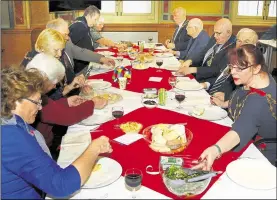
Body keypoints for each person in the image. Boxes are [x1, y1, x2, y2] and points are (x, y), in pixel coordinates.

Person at [1, 67, 112, 199]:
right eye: (36, 102)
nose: (40, 107)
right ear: (15, 101)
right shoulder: (11, 137)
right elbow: (62, 185)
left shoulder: (10, 122)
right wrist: (94, 148)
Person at [194, 44, 276, 171]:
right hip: (241, 131)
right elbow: (241, 98)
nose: (233, 72)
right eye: (232, 66)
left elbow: (241, 130)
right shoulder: (257, 76)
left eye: (240, 68)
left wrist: (216, 150)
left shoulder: (259, 100)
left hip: (259, 152)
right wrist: (224, 104)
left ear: (256, 68)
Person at [25, 53, 107, 156]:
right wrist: (92, 103)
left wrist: (67, 102)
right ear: (44, 81)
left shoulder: (32, 90)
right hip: (40, 151)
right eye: (54, 82)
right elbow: (67, 117)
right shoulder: (34, 98)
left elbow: (51, 107)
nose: (55, 86)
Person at [21, 28, 85, 100]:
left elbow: (53, 95)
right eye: (56, 50)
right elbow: (47, 102)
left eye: (61, 50)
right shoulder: (35, 69)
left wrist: (71, 85)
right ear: (42, 48)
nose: (59, 54)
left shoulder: (47, 59)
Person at [177, 18, 236, 86]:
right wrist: (190, 61)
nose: (215, 36)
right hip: (199, 76)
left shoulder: (233, 47)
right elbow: (203, 53)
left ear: (228, 33)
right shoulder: (214, 38)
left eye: (218, 33)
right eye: (215, 32)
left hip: (210, 82)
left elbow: (218, 70)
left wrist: (194, 69)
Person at [46, 18, 115, 73]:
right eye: (65, 34)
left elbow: (79, 51)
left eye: (68, 33)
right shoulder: (47, 54)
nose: (68, 37)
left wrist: (101, 58)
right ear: (53, 35)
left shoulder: (66, 40)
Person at [207, 28, 259, 101]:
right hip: (214, 95)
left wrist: (227, 96)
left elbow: (250, 94)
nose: (241, 45)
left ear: (254, 44)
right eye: (239, 41)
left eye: (246, 41)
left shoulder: (254, 65)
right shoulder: (233, 56)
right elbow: (221, 76)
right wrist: (207, 84)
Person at [69, 5, 101, 73]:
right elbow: (72, 49)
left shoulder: (84, 25)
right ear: (89, 16)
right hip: (79, 68)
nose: (96, 22)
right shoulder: (79, 27)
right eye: (95, 19)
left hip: (84, 63)